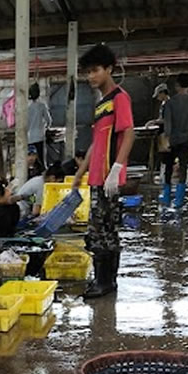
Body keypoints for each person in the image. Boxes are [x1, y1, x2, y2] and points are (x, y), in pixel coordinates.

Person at [72, 44, 135, 299]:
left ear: (109, 69)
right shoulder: (101, 105)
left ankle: (105, 281)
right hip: (97, 177)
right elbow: (95, 143)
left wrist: (117, 168)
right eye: (88, 72)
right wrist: (80, 173)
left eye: (95, 70)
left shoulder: (120, 98)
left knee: (104, 229)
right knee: (99, 228)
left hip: (110, 177)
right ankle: (105, 279)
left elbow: (129, 133)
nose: (91, 76)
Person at [160, 73, 188, 210]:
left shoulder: (170, 103)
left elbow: (167, 124)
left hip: (172, 139)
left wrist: (166, 139)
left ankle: (166, 197)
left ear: (176, 85)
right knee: (183, 168)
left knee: (168, 168)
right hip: (187, 139)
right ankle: (179, 199)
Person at [27, 83, 52, 166]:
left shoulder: (27, 107)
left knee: (30, 159)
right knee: (41, 159)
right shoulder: (42, 106)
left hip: (29, 137)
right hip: (39, 136)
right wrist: (46, 127)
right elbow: (49, 120)